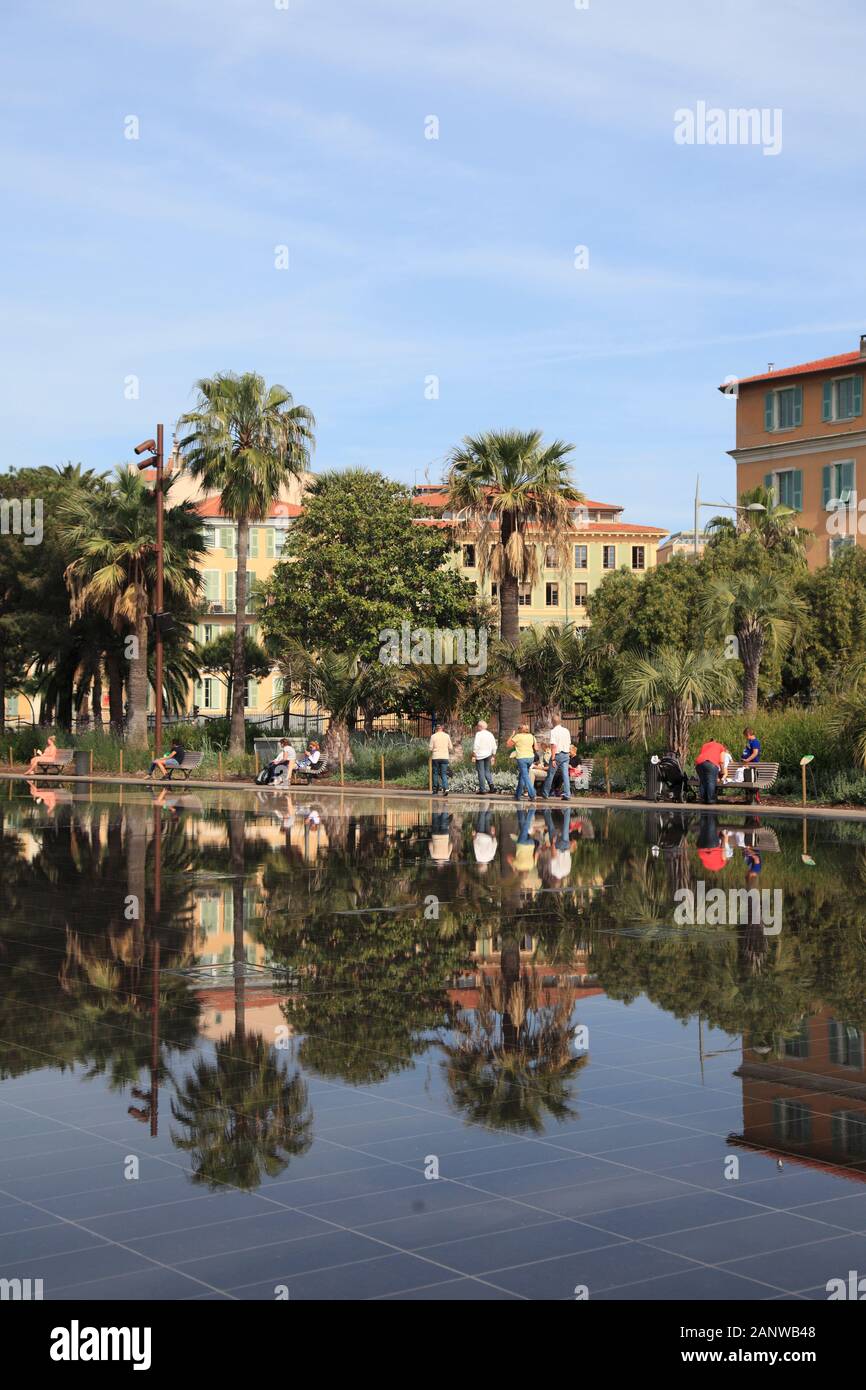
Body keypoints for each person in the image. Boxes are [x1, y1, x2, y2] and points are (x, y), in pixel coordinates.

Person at [542, 718, 571, 800]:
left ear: (552, 722)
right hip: (566, 755)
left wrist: (553, 758)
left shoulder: (553, 731)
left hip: (557, 755)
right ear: (560, 721)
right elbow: (569, 743)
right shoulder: (566, 731)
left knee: (551, 774)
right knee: (565, 775)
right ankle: (567, 794)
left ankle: (545, 793)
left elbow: (553, 745)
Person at [507, 722, 538, 801]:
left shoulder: (517, 736)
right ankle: (517, 795)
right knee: (522, 776)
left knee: (526, 777)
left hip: (522, 758)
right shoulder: (532, 736)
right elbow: (536, 748)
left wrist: (512, 735)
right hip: (530, 758)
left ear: (521, 730)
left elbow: (508, 744)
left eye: (518, 729)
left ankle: (532, 794)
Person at [694, 736, 727, 804]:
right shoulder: (720, 746)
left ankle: (703, 799)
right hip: (711, 763)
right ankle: (710, 799)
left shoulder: (705, 745)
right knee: (711, 781)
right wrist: (722, 771)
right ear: (716, 741)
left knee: (703, 782)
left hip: (699, 764)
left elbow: (702, 755)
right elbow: (721, 761)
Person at [472, 720, 497, 794]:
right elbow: (494, 746)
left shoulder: (478, 734)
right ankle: (491, 786)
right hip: (488, 754)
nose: (477, 727)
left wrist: (474, 753)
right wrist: (493, 754)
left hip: (480, 755)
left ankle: (482, 789)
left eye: (478, 726)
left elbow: (476, 745)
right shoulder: (490, 734)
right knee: (487, 771)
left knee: (481, 772)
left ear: (480, 726)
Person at [429, 723, 453, 795]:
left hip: (436, 757)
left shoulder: (433, 736)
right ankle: (446, 788)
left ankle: (435, 789)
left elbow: (430, 748)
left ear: (436, 729)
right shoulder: (447, 736)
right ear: (442, 728)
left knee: (435, 773)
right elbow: (451, 747)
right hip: (445, 757)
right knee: (444, 773)